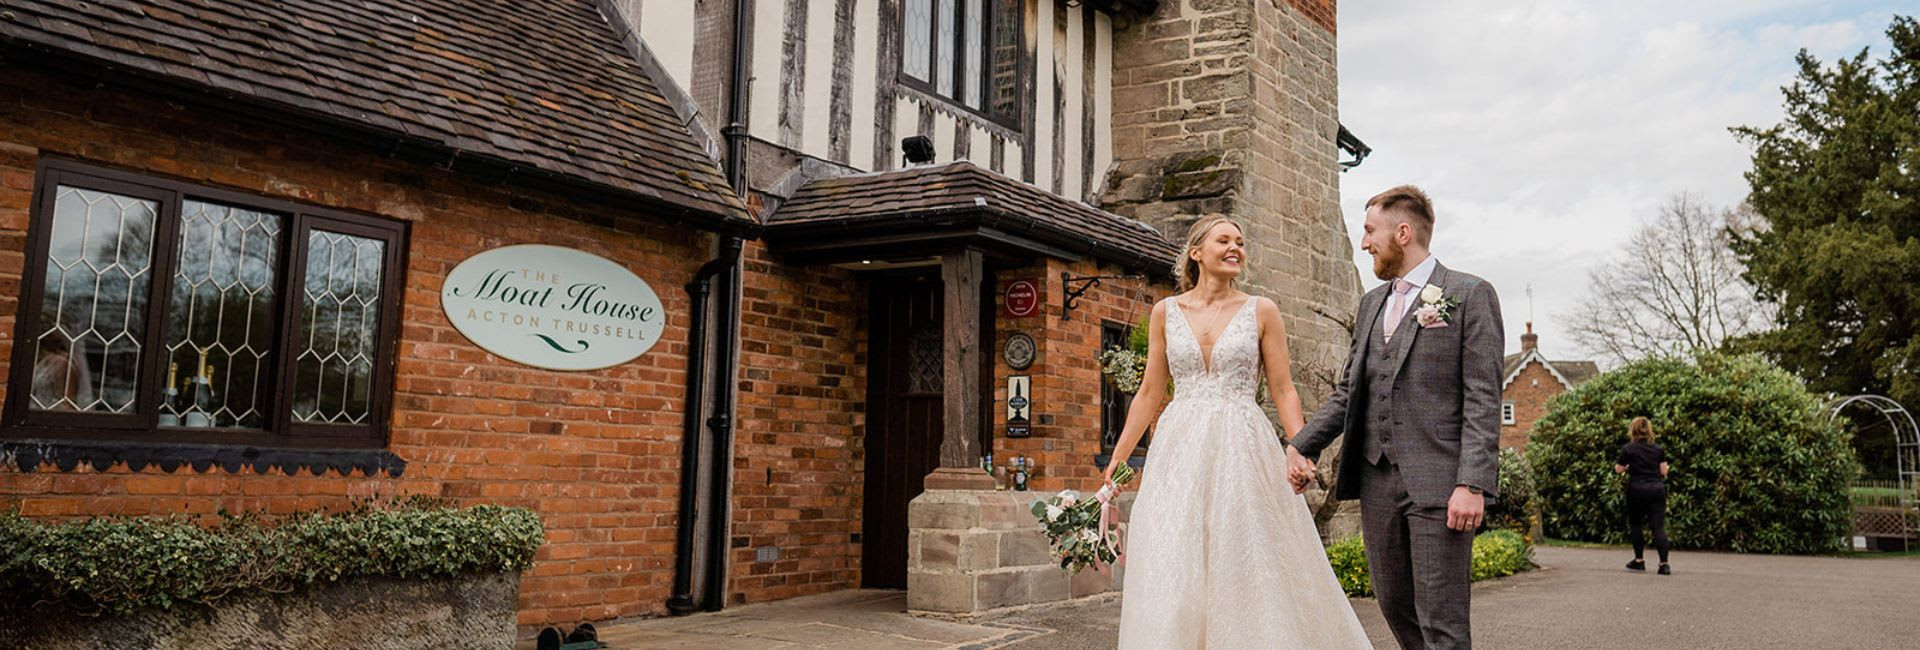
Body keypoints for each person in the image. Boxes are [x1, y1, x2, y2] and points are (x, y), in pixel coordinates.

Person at [1103, 216, 1370, 648]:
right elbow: (1150, 392)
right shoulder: (1164, 313)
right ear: (1196, 253)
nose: (1235, 248)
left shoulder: (1261, 310)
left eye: (1240, 243)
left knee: (1245, 552)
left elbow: (1284, 389)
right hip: (1180, 448)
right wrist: (1120, 457)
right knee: (1177, 555)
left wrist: (1301, 448)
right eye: (1224, 240)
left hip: (1242, 444)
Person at [1288, 186, 1504, 650]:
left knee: (1441, 621)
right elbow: (1350, 392)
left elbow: (1484, 397)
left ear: (1402, 232)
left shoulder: (1469, 294)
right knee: (1395, 606)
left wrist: (1473, 483)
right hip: (1377, 482)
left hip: (1440, 481)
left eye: (1370, 231)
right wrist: (1301, 443)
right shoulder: (1371, 304)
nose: (1364, 243)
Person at [1616, 416, 1671, 575]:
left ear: (1632, 430)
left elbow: (1619, 469)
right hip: (1656, 489)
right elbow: (1663, 471)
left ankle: (1639, 561)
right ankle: (1664, 564)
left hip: (1637, 489)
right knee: (1658, 527)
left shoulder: (1628, 449)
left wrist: (1627, 467)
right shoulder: (1658, 449)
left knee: (1636, 524)